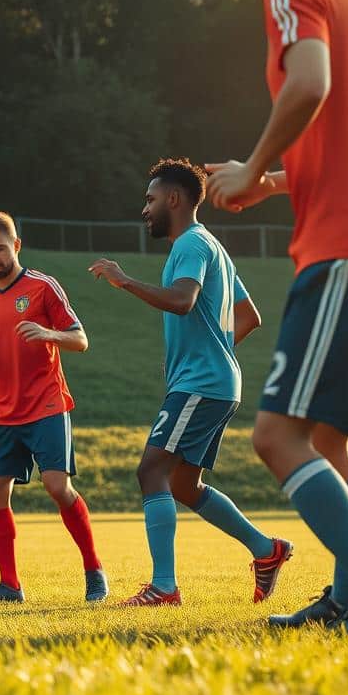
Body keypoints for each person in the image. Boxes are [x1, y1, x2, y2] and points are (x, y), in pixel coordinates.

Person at [204, 0, 348, 634]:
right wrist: (272, 182)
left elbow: (310, 81)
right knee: (328, 441)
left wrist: (251, 167)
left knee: (277, 436)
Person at [88, 158, 292, 607]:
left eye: (151, 198)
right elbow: (249, 318)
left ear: (174, 199)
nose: (146, 208)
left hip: (201, 385)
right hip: (215, 382)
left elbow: (182, 301)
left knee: (151, 470)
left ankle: (164, 588)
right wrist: (212, 353)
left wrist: (123, 281)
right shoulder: (211, 245)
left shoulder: (189, 246)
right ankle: (266, 550)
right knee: (182, 485)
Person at [0, 210, 107, 604]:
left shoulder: (43, 287)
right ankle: (10, 585)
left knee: (57, 487)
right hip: (1, 410)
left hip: (46, 403)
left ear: (16, 246)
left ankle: (94, 571)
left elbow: (80, 340)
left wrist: (47, 333)